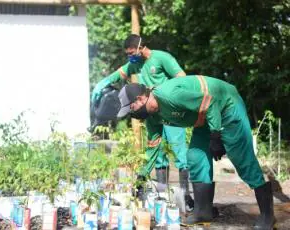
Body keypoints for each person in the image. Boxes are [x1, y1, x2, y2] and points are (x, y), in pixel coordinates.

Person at [116, 75, 275, 229]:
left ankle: (267, 215)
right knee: (195, 156)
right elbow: (153, 146)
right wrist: (142, 175)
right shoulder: (152, 117)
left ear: (140, 99)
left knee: (241, 158)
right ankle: (203, 212)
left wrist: (215, 135)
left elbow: (210, 102)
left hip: (226, 106)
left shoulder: (170, 95)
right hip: (205, 117)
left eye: (131, 109)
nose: (132, 115)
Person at [91, 34, 194, 211]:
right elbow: (119, 74)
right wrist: (104, 82)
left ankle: (186, 196)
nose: (130, 57)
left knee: (179, 152)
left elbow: (182, 78)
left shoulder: (162, 58)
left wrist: (159, 90)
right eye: (128, 54)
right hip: (151, 114)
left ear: (141, 47)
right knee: (157, 153)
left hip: (170, 111)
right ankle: (162, 195)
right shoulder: (134, 64)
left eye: (132, 53)